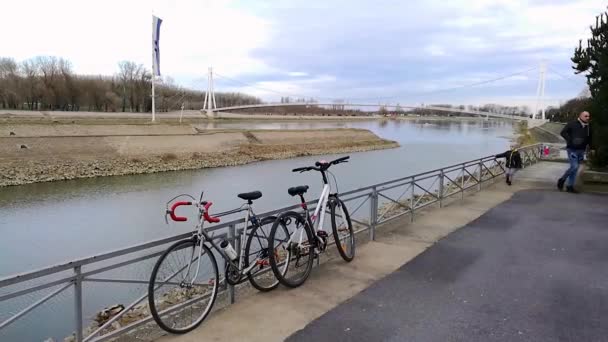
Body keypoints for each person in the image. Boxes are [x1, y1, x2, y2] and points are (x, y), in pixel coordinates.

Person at [557, 111, 592, 193]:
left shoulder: (588, 127)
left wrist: (591, 148)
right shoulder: (572, 124)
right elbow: (563, 132)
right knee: (574, 167)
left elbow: (590, 138)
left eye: (589, 116)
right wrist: (570, 140)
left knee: (575, 169)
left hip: (581, 150)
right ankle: (562, 179)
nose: (588, 118)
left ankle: (570, 186)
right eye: (586, 116)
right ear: (580, 116)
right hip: (572, 149)